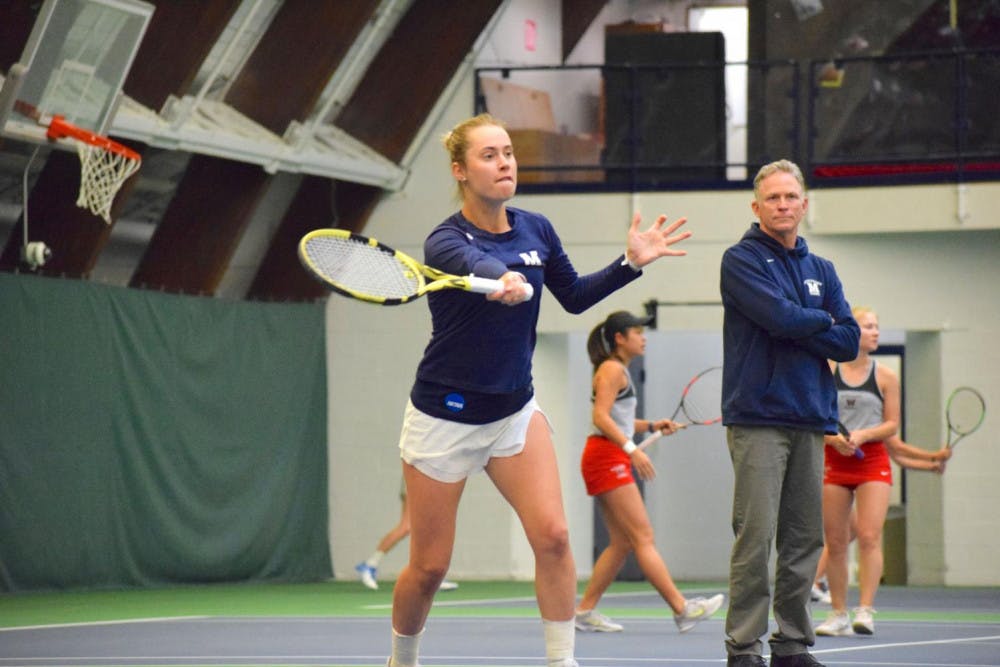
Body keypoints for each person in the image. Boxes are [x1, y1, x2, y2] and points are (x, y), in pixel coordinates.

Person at [387, 113, 692, 667]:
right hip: (443, 415)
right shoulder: (445, 240)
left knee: (553, 536)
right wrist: (500, 279)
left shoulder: (538, 229)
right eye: (489, 155)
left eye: (508, 152)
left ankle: (561, 662)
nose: (504, 163)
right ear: (460, 170)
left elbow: (573, 296)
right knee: (430, 566)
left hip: (512, 412)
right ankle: (401, 661)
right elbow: (475, 262)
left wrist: (629, 264)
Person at [719, 159, 860, 667]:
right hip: (756, 416)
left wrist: (807, 322)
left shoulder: (823, 270)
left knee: (804, 541)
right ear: (756, 207)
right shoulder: (740, 260)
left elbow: (848, 342)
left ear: (804, 204)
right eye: (772, 198)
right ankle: (743, 648)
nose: (782, 205)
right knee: (755, 538)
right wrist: (820, 320)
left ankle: (793, 645)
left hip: (810, 418)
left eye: (790, 197)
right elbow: (777, 318)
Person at [575, 311, 724, 634]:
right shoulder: (613, 369)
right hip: (606, 456)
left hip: (605, 453)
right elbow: (601, 417)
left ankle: (584, 612)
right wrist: (632, 450)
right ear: (620, 338)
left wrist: (654, 425)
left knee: (622, 542)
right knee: (643, 537)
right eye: (637, 332)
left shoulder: (616, 370)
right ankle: (683, 609)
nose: (643, 338)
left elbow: (620, 421)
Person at [814, 307, 952, 637]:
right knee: (834, 542)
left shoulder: (886, 377)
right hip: (834, 460)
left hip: (872, 462)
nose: (875, 332)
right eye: (868, 326)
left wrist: (862, 435)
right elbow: (815, 417)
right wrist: (833, 439)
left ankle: (865, 611)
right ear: (851, 331)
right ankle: (837, 614)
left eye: (877, 327)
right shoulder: (827, 370)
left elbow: (892, 425)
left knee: (869, 536)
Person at [810, 433, 951, 606]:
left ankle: (815, 580)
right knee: (840, 538)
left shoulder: (878, 436)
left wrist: (930, 465)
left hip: (850, 478)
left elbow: (899, 457)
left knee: (849, 532)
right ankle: (813, 581)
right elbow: (898, 447)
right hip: (830, 478)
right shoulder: (874, 424)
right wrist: (935, 455)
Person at [355, 478, 458, 592]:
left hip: (432, 479)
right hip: (418, 478)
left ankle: (431, 577)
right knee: (406, 526)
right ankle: (370, 564)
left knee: (428, 526)